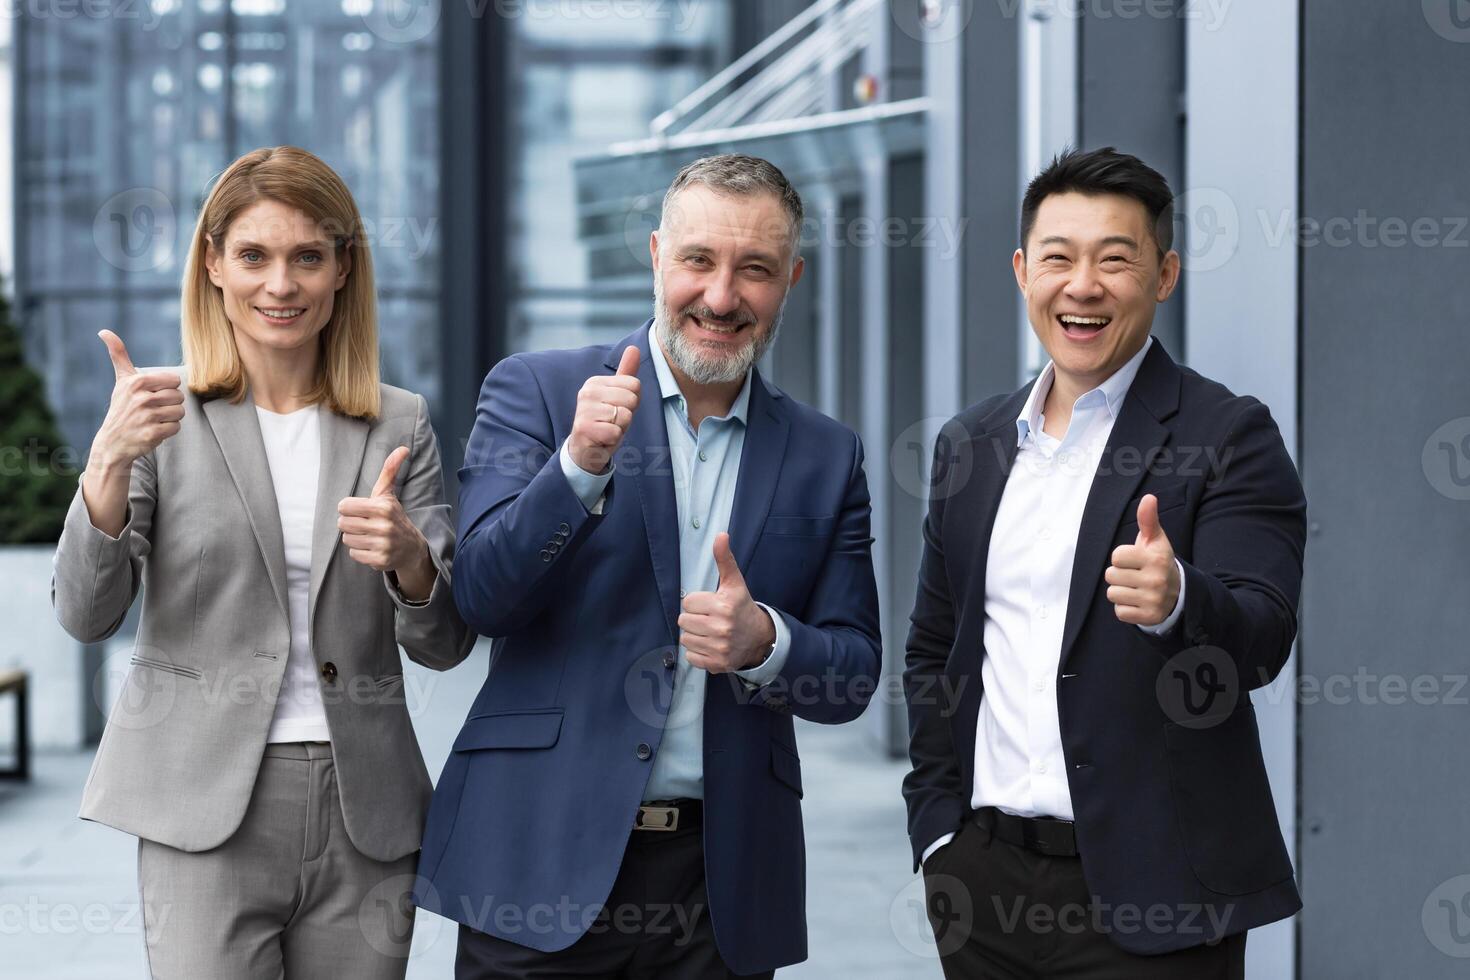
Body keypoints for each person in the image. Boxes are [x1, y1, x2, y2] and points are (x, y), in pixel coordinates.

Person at [417, 153, 882, 978]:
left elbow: (851, 677)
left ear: (793, 279)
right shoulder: (538, 391)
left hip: (719, 890)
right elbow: (483, 597)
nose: (721, 297)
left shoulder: (826, 454)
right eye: (699, 261)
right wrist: (576, 470)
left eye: (756, 270)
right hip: (539, 862)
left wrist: (766, 642)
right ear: (659, 254)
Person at [51, 145, 474, 979]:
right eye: (253, 255)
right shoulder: (156, 417)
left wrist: (412, 564)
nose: (280, 285)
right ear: (212, 264)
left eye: (307, 257)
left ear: (343, 270)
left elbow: (444, 643)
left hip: (367, 811)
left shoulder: (400, 424)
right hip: (202, 808)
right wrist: (105, 463)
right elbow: (85, 615)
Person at [902, 146, 1306, 978]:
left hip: (1157, 900)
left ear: (1165, 276)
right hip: (982, 888)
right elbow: (935, 649)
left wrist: (1179, 599)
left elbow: (1262, 639)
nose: (1082, 286)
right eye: (1058, 257)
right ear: (1022, 271)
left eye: (1116, 260)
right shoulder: (970, 445)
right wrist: (939, 831)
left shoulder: (1228, 436)